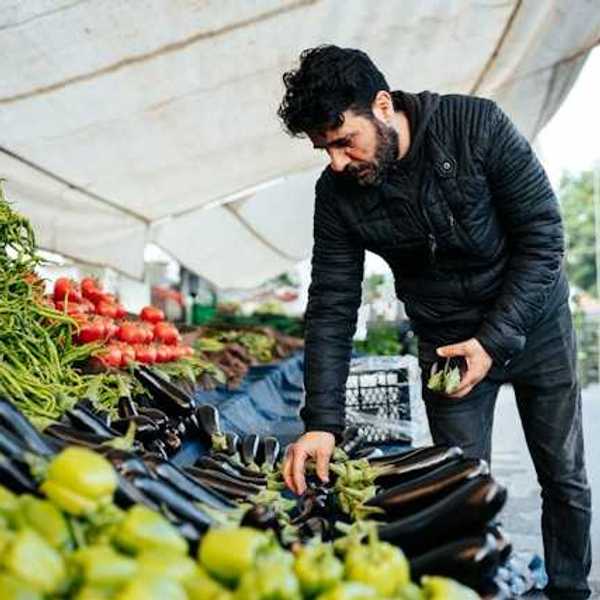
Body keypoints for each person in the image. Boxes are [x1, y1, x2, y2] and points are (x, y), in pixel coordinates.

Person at [277, 45, 591, 600]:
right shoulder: (337, 195)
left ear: (381, 105)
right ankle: (479, 589)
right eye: (324, 149)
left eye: (344, 141)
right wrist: (321, 420)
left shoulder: (474, 125)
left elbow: (545, 239)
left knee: (563, 478)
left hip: (533, 323)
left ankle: (568, 590)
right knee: (458, 488)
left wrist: (494, 340)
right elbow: (331, 305)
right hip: (446, 345)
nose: (336, 162)